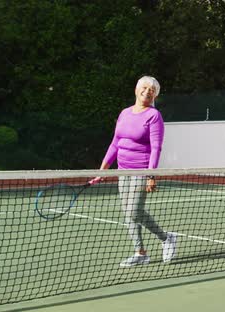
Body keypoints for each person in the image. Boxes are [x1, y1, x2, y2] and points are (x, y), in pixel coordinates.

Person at [98, 76, 177, 267]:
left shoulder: (154, 116)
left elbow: (156, 148)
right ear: (136, 89)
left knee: (134, 210)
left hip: (141, 169)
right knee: (128, 213)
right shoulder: (124, 113)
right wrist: (103, 169)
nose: (147, 91)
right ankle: (140, 253)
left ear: (155, 95)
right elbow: (115, 143)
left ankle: (166, 238)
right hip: (122, 170)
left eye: (152, 89)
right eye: (145, 87)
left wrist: (151, 175)